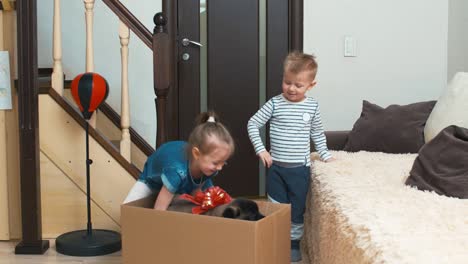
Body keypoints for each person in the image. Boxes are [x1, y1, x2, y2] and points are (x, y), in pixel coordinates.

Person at [247, 51, 335, 262]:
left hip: (299, 170)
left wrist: (324, 154)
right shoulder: (275, 104)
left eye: (298, 85)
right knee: (277, 206)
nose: (291, 89)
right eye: (287, 82)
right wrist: (261, 149)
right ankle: (275, 238)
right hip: (277, 169)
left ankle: (293, 244)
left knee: (296, 210)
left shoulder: (312, 106)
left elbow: (317, 133)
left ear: (311, 85)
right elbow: (253, 123)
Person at [123, 111, 235, 211]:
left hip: (186, 176)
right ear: (196, 154)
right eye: (216, 163)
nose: (219, 168)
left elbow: (196, 195)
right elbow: (159, 209)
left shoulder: (209, 168)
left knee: (210, 201)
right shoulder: (176, 171)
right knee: (128, 211)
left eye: (223, 162)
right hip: (151, 180)